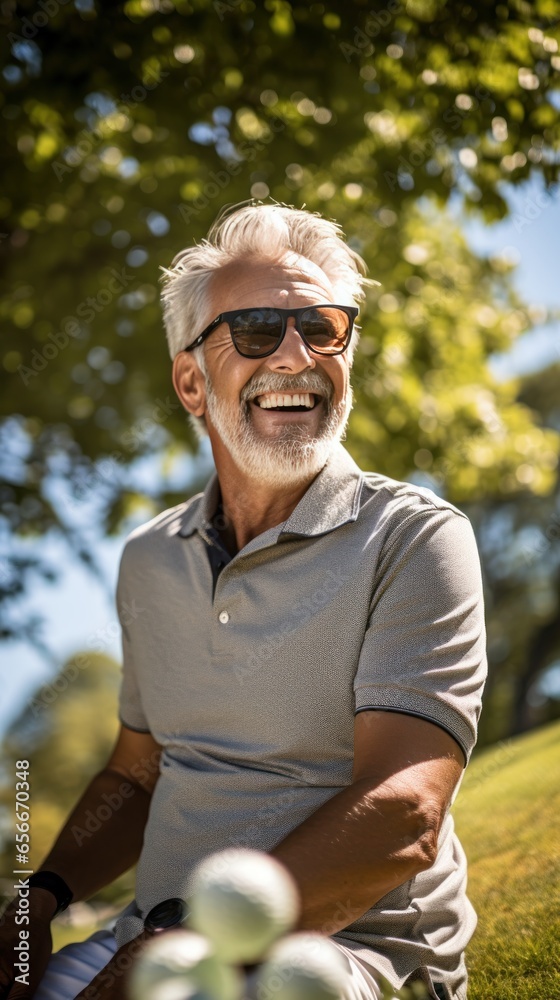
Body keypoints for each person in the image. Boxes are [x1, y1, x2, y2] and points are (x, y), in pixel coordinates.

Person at [0, 202, 487, 1000]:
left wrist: (190, 949)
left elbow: (404, 813)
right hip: (142, 937)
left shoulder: (416, 538)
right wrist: (37, 900)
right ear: (192, 382)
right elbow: (137, 775)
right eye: (258, 330)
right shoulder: (150, 559)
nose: (296, 354)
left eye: (325, 327)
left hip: (343, 955)